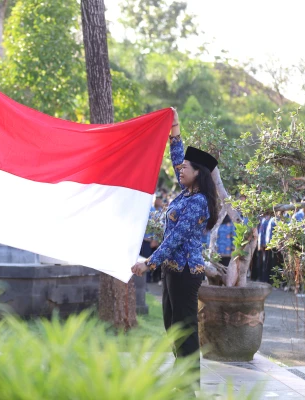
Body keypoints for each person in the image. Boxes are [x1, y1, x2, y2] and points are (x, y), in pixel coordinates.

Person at [131, 108, 219, 389]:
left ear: (198, 173)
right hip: (173, 270)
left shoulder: (199, 202)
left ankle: (189, 386)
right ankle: (182, 378)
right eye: (180, 168)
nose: (180, 170)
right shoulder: (186, 192)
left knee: (185, 330)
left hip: (185, 272)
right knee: (172, 326)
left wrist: (149, 263)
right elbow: (177, 158)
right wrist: (175, 129)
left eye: (185, 169)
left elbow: (175, 239)